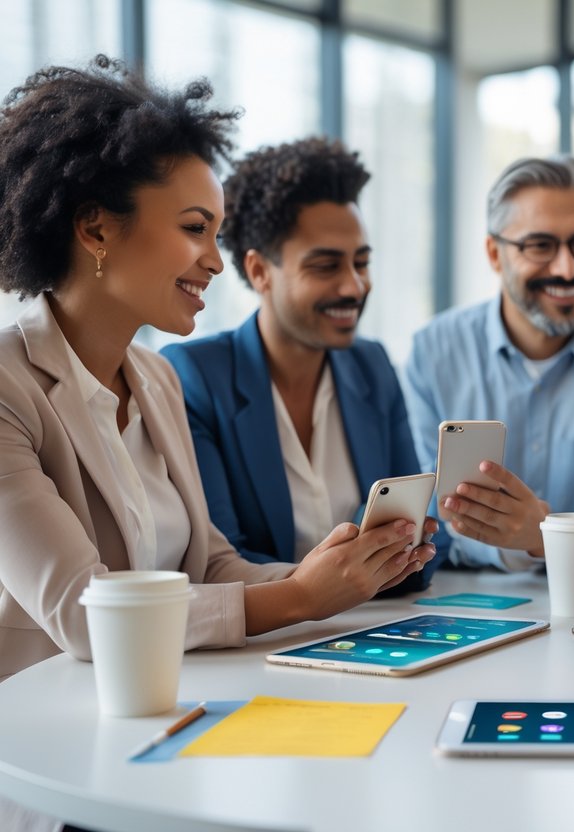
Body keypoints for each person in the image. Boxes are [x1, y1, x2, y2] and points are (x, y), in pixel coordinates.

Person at [0, 55, 434, 702]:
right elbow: (88, 617)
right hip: (49, 742)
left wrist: (334, 572)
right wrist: (298, 597)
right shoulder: (10, 388)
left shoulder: (155, 380)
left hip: (171, 706)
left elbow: (208, 564)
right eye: (194, 229)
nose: (213, 260)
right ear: (95, 228)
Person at [160, 138, 435, 591]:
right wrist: (338, 581)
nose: (354, 286)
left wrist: (398, 559)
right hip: (255, 641)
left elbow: (418, 546)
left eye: (361, 263)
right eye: (326, 266)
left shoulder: (372, 366)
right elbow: (218, 562)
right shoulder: (193, 376)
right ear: (259, 271)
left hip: (372, 629)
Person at [402, 155, 574, 570]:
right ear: (494, 253)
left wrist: (543, 532)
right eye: (540, 246)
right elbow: (426, 518)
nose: (567, 268)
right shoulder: (433, 353)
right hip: (463, 602)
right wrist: (539, 538)